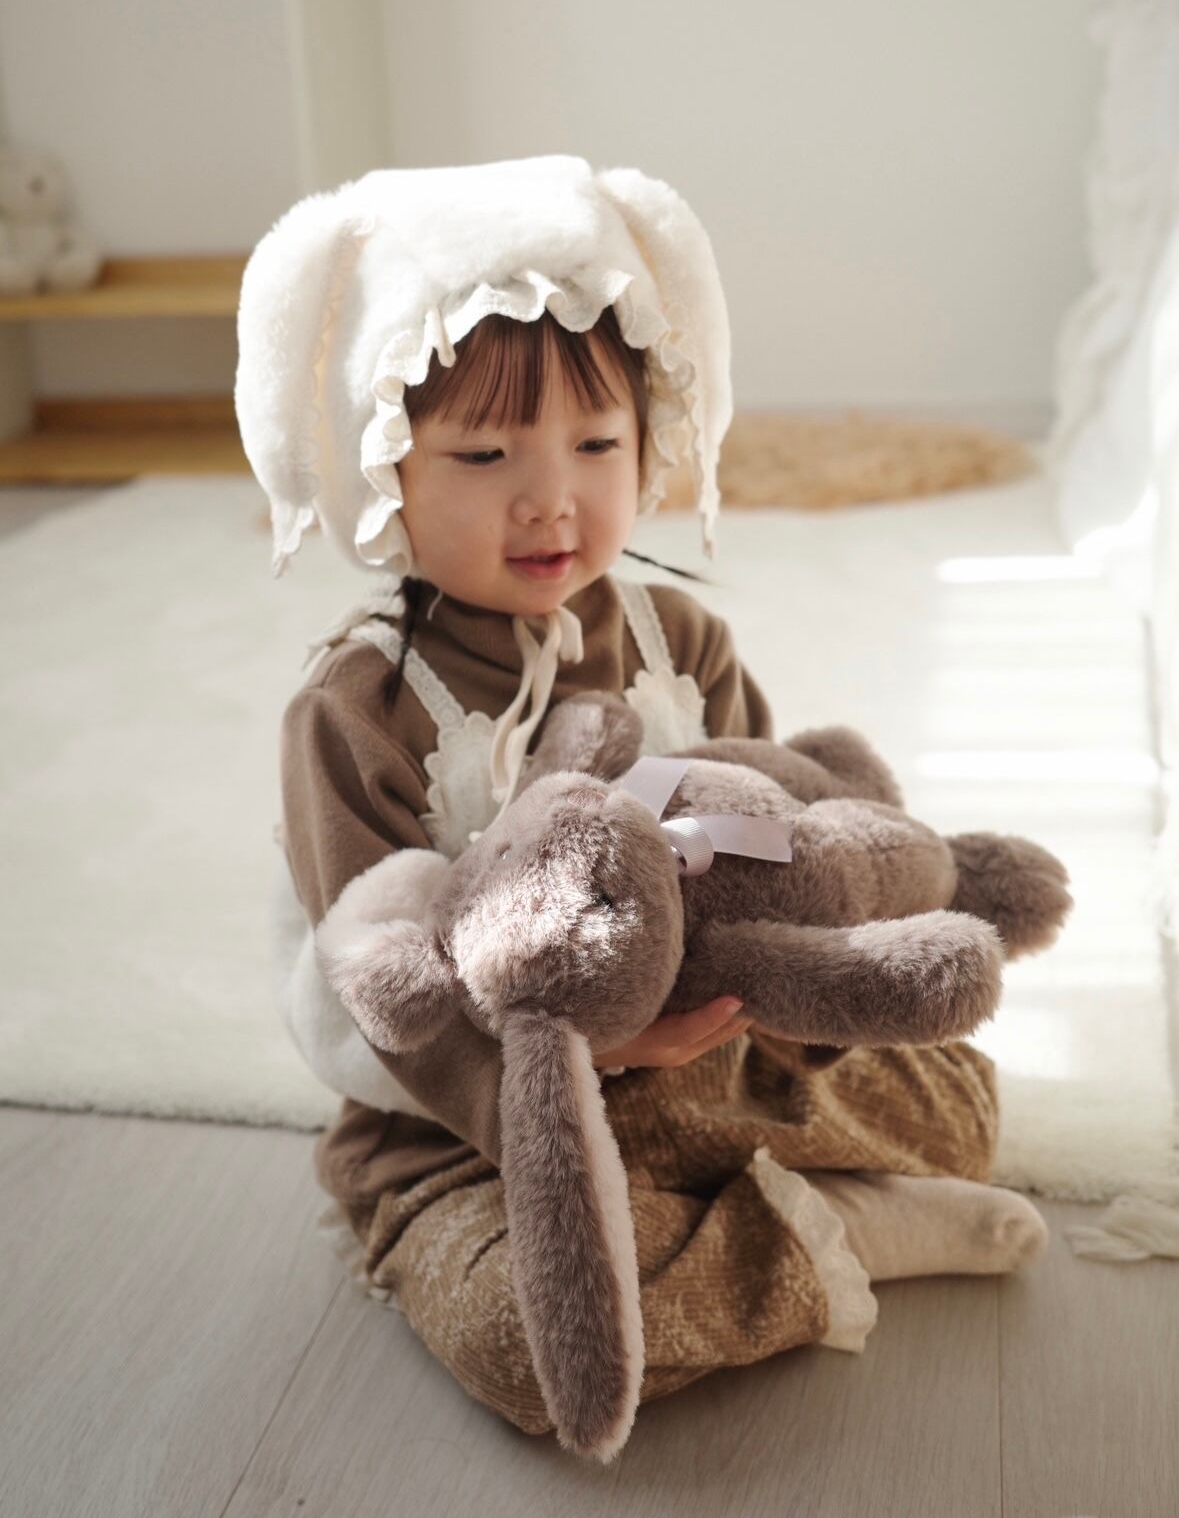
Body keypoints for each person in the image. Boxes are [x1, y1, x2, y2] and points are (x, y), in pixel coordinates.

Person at [236, 154, 1048, 1442]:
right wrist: (586, 1061)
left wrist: (788, 992)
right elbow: (374, 995)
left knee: (959, 1099)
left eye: (598, 444)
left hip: (717, 1044)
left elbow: (779, 840)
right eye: (484, 453)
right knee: (523, 1338)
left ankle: (732, 1195)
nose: (550, 497)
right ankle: (828, 1238)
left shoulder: (680, 641)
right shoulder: (354, 711)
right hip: (475, 1123)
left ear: (651, 439)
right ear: (384, 470)